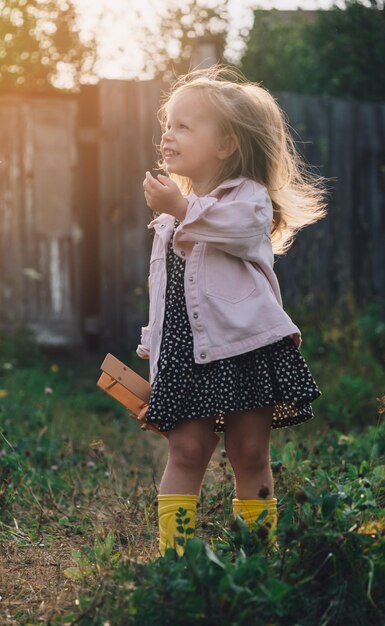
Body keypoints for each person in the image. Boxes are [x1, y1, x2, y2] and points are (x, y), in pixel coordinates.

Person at [138, 66, 326, 556]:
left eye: (184, 125)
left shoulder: (248, 199)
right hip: (186, 351)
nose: (168, 133)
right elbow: (164, 294)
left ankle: (257, 557)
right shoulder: (170, 216)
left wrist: (183, 210)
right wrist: (153, 349)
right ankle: (176, 563)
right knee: (187, 449)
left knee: (248, 452)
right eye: (168, 123)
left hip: (245, 347)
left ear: (224, 146)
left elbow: (241, 231)